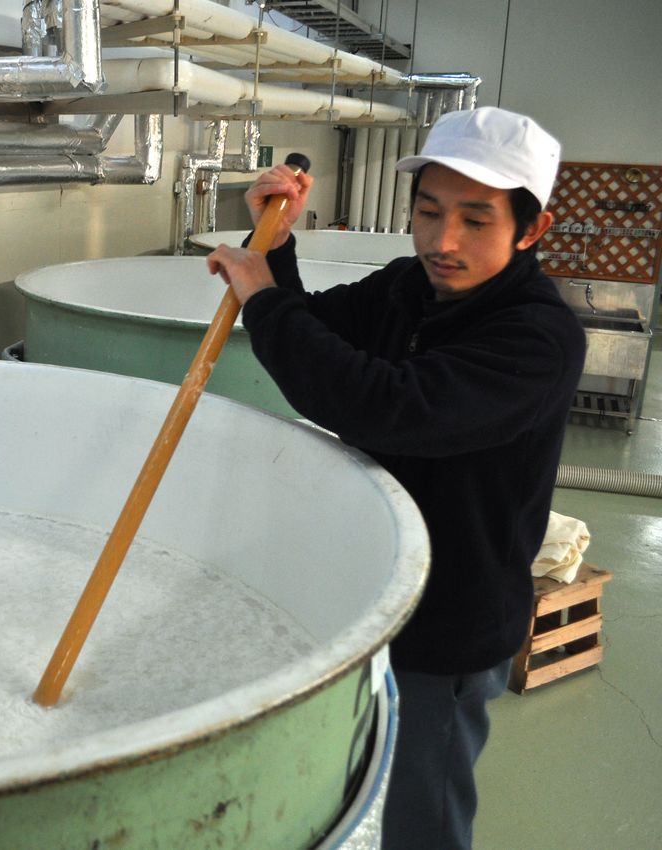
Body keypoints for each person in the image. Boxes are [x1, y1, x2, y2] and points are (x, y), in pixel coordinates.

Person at [205, 107, 586, 849]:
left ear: (531, 230)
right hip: (373, 586)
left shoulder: (538, 338)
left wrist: (262, 298)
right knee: (361, 775)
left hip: (448, 619)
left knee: (423, 817)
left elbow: (385, 408)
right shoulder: (408, 285)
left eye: (475, 220)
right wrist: (275, 249)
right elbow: (314, 326)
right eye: (429, 211)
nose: (443, 241)